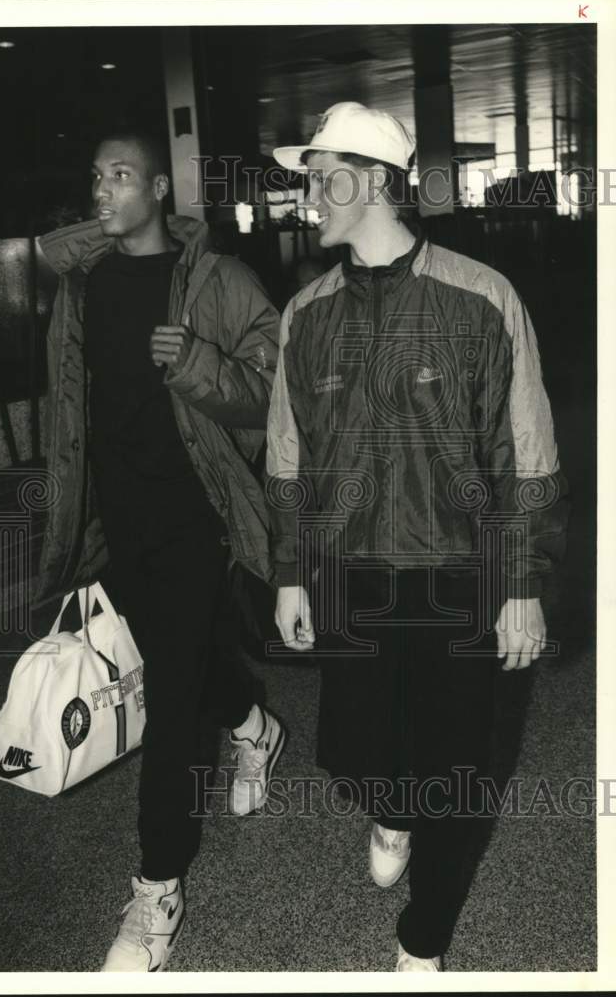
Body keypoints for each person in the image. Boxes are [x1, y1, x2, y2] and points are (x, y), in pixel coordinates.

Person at [267, 102, 569, 971]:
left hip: (462, 573)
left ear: (368, 182)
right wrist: (291, 574)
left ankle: (424, 937)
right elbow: (287, 457)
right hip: (352, 572)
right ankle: (391, 803)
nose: (308, 198)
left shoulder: (481, 297)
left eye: (321, 179)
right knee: (367, 752)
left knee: (463, 768)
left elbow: (528, 451)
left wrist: (521, 585)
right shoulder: (306, 314)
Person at [35, 129, 285, 972]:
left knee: (170, 706)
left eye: (119, 176)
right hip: (117, 522)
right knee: (186, 660)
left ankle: (155, 891)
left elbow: (270, 391)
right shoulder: (86, 282)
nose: (101, 191)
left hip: (193, 517)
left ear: (157, 190)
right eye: (94, 176)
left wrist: (200, 364)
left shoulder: (218, 281)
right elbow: (76, 401)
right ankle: (255, 726)